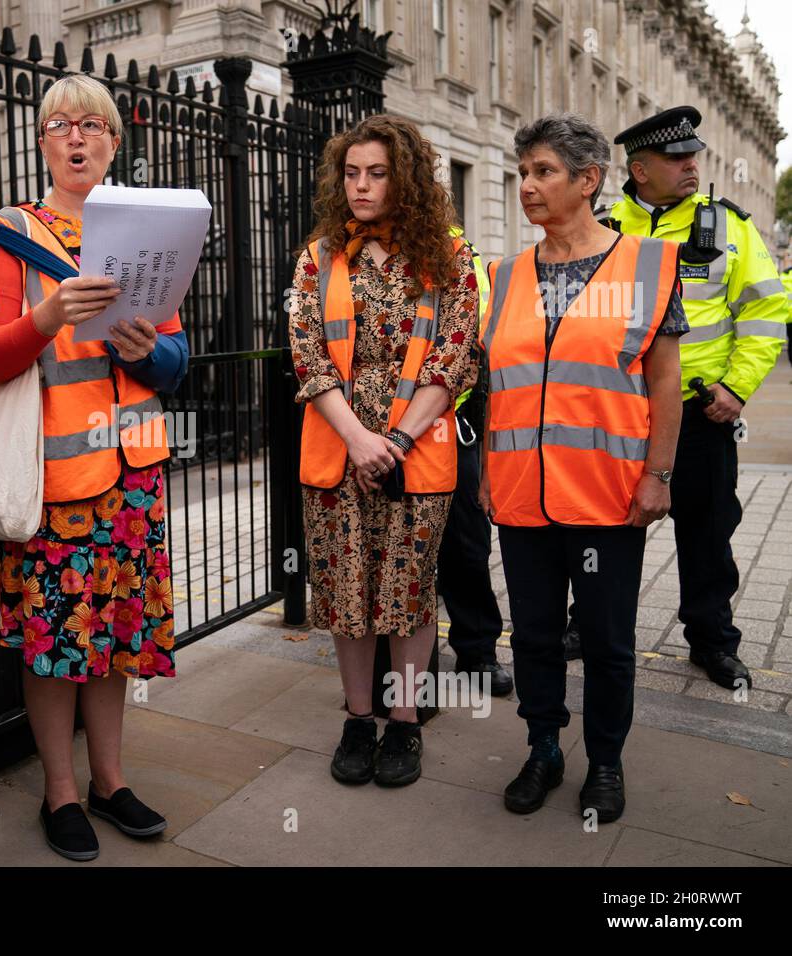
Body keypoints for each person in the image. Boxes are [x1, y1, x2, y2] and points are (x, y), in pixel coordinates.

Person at [0, 74, 189, 862]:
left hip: (132, 477)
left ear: (114, 142)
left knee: (115, 637)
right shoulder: (8, 238)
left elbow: (175, 355)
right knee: (57, 642)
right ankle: (61, 792)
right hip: (58, 484)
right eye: (60, 123)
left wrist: (150, 349)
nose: (77, 136)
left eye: (93, 124)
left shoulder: (139, 229)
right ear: (41, 141)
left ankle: (110, 779)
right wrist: (47, 316)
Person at [480, 113, 685, 824]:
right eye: (524, 173)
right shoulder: (504, 276)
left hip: (607, 496)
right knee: (533, 634)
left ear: (589, 180)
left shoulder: (649, 265)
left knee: (605, 641)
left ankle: (605, 761)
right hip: (521, 496)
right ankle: (542, 748)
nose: (528, 186)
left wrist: (659, 473)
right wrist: (485, 469)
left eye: (543, 172)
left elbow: (665, 381)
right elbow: (499, 383)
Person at [565, 107, 790, 690]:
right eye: (676, 157)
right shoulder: (604, 226)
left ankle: (712, 642)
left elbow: (766, 309)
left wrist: (737, 387)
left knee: (707, 535)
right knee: (603, 531)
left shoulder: (729, 226)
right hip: (617, 413)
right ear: (639, 170)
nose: (692, 164)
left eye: (694, 155)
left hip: (699, 414)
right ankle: (586, 625)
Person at [291, 114, 479, 789]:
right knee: (346, 591)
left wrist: (394, 441)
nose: (362, 186)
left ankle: (404, 722)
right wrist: (360, 440)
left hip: (416, 450)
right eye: (351, 173)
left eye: (377, 173)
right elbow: (308, 357)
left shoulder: (450, 256)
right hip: (338, 448)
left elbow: (455, 360)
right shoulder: (317, 257)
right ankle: (358, 718)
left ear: (405, 179)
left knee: (409, 589)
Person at [438, 227, 513, 697]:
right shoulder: (352, 246)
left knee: (465, 544)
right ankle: (386, 657)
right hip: (373, 426)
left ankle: (476, 650)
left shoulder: (454, 249)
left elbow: (479, 337)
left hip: (452, 418)